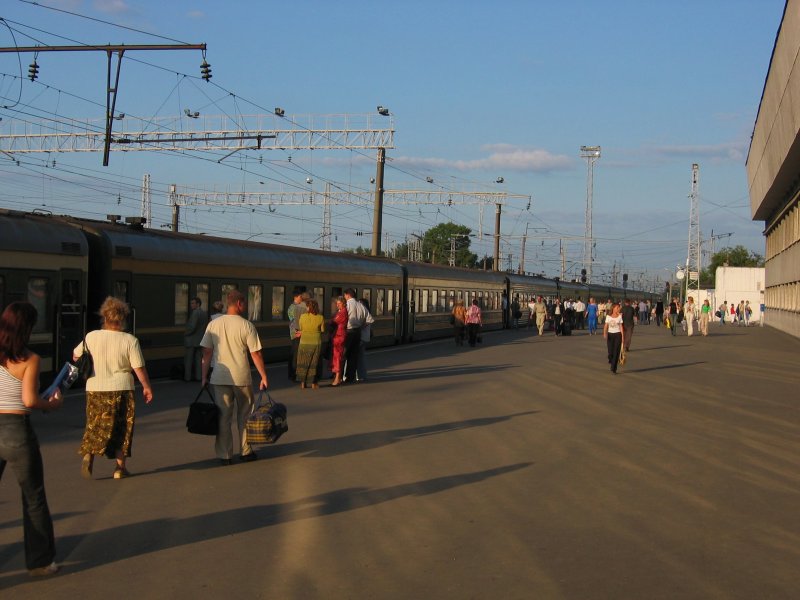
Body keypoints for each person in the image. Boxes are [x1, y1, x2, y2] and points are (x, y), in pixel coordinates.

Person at [0, 302, 63, 576]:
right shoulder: (29, 359)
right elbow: (29, 400)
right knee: (33, 497)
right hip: (16, 430)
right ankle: (39, 562)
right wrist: (52, 404)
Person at [74, 297, 153, 480]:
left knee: (95, 423)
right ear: (124, 318)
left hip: (95, 387)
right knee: (122, 427)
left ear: (104, 317)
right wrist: (146, 387)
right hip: (122, 388)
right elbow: (138, 367)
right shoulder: (129, 340)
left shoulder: (91, 336)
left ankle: (89, 453)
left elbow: (76, 356)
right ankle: (119, 468)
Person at [200, 289, 268, 466]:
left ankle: (225, 455)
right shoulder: (246, 325)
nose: (244, 306)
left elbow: (207, 353)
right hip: (241, 377)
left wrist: (203, 376)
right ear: (239, 303)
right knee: (245, 414)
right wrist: (263, 376)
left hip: (219, 377)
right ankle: (246, 451)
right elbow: (256, 354)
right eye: (244, 303)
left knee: (223, 416)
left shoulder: (214, 324)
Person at [296, 298, 325, 389]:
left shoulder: (303, 316)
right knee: (314, 363)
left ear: (309, 307)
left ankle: (303, 383)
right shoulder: (320, 317)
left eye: (307, 306)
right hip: (315, 343)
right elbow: (322, 330)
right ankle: (313, 383)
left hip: (304, 342)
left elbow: (300, 328)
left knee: (303, 362)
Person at [343, 288, 366, 384]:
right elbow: (369, 319)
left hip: (348, 331)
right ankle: (350, 376)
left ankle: (340, 376)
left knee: (344, 354)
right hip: (357, 332)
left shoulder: (347, 305)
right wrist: (361, 326)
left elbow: (343, 318)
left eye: (345, 295)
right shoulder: (360, 305)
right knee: (353, 355)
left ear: (347, 295)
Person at [183, 297, 207, 382]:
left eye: (193, 303)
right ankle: (198, 376)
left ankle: (187, 377)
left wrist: (186, 333)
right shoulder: (204, 313)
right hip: (199, 340)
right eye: (191, 303)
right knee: (198, 359)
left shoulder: (195, 313)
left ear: (198, 304)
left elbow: (192, 327)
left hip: (191, 340)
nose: (191, 305)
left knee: (188, 360)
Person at [287, 290, 308, 381]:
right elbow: (294, 321)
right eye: (300, 297)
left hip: (296, 332)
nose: (301, 299)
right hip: (296, 333)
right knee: (295, 354)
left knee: (295, 354)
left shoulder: (295, 307)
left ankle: (293, 373)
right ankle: (293, 374)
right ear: (295, 297)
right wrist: (299, 331)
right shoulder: (293, 307)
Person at [329, 297, 348, 386]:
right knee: (337, 356)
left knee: (337, 357)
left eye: (339, 303)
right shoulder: (341, 312)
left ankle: (337, 378)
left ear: (343, 303)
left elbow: (334, 322)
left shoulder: (342, 313)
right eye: (337, 303)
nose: (337, 305)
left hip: (339, 336)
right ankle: (338, 377)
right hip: (338, 335)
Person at [356, 298, 375, 382]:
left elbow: (367, 322)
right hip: (365, 337)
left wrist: (359, 328)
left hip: (361, 337)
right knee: (361, 357)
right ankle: (362, 375)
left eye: (360, 304)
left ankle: (360, 375)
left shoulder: (364, 313)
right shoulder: (367, 312)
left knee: (358, 357)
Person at [603, 302, 625, 374]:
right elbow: (606, 326)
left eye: (619, 308)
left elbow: (621, 327)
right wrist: (605, 333)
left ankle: (614, 367)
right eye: (617, 308)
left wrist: (623, 337)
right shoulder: (608, 316)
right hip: (610, 335)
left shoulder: (620, 316)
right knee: (610, 352)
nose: (618, 309)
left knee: (616, 351)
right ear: (613, 308)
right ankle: (611, 359)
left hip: (618, 335)